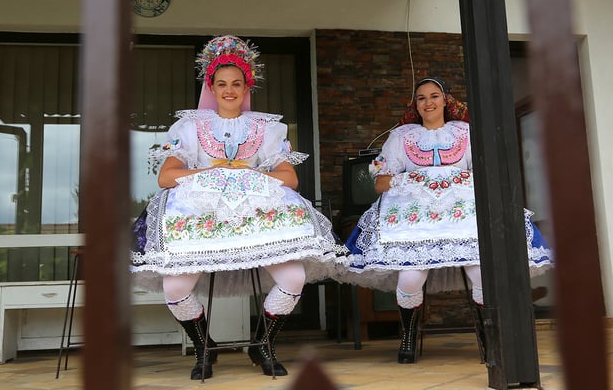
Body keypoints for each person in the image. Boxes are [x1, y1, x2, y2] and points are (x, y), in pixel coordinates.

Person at [130, 35, 347, 380]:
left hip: (256, 213)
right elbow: (166, 176)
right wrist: (212, 172)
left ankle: (263, 344)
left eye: (236, 83)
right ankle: (203, 346)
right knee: (175, 288)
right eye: (221, 84)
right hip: (202, 214)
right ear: (211, 87)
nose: (229, 90)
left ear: (247, 86)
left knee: (294, 277)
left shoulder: (266, 129)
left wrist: (249, 173)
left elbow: (289, 178)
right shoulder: (191, 127)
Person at [342, 76, 554, 364]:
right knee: (410, 277)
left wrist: (456, 179)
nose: (428, 102)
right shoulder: (401, 137)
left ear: (445, 100)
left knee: (481, 273)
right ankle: (408, 334)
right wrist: (413, 180)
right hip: (417, 219)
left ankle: (489, 336)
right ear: (415, 105)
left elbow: (486, 172)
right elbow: (380, 183)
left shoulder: (466, 132)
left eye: (434, 96)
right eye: (421, 98)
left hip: (462, 216)